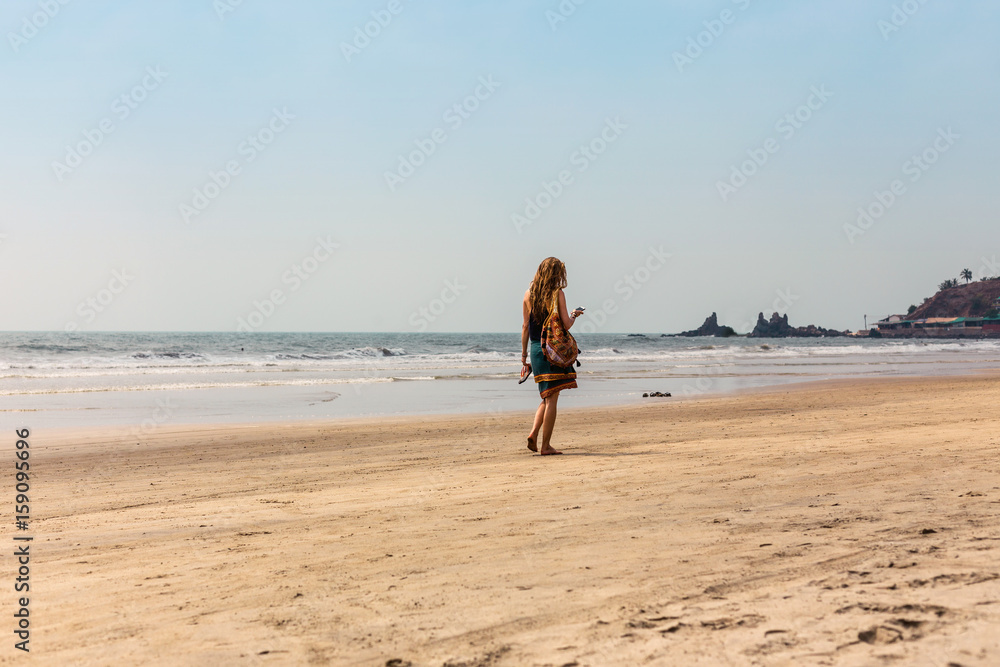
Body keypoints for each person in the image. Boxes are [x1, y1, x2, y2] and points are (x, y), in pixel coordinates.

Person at [521, 257, 584, 455]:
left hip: (535, 348)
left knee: (547, 395)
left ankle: (533, 433)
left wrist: (524, 356)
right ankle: (545, 446)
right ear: (557, 274)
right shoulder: (557, 294)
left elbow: (525, 327)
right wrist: (574, 314)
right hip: (551, 348)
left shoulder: (528, 294)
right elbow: (565, 324)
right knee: (552, 399)